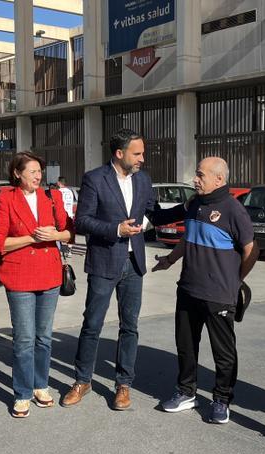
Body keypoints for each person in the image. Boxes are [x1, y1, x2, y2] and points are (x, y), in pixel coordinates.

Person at [60, 128, 184, 410]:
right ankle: (82, 380)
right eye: (137, 153)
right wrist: (116, 229)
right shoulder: (95, 179)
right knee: (92, 324)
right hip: (104, 261)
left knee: (130, 327)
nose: (142, 158)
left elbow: (157, 214)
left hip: (134, 263)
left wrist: (185, 207)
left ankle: (123, 384)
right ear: (119, 154)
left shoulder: (143, 180)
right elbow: (83, 222)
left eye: (142, 152)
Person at [153, 157, 258, 424]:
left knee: (223, 353)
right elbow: (189, 239)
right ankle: (186, 392)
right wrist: (169, 260)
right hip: (188, 289)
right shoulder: (195, 204)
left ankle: (222, 399)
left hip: (219, 295)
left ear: (219, 179)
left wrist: (235, 280)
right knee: (186, 346)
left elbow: (251, 249)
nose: (195, 179)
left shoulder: (233, 210)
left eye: (200, 175)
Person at [0, 151, 73, 418]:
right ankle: (23, 392)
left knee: (43, 337)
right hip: (20, 276)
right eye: (32, 171)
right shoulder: (6, 198)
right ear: (17, 173)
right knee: (24, 338)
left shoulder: (52, 196)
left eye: (40, 171)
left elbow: (70, 231)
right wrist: (31, 238)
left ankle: (41, 385)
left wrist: (55, 235)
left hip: (49, 275)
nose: (38, 176)